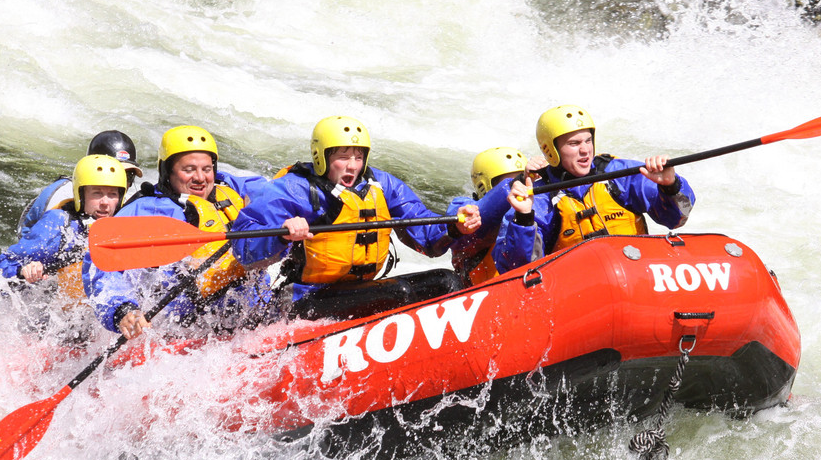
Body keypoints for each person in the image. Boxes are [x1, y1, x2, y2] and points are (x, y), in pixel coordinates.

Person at [230, 116, 481, 307]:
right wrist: (283, 234)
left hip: (361, 290)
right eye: (343, 156)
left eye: (358, 157)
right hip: (305, 298)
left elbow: (426, 234)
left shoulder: (381, 185)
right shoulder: (294, 188)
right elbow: (245, 249)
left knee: (447, 282)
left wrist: (454, 227)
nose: (352, 165)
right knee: (399, 293)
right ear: (322, 157)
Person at [83, 125, 268, 340]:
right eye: (188, 170)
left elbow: (274, 192)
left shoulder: (228, 188)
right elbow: (101, 267)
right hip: (186, 330)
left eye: (206, 169)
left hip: (253, 318)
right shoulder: (146, 210)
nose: (200, 178)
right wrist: (123, 310)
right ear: (167, 171)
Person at [494, 105, 695, 272]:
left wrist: (670, 186)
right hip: (579, 291)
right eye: (574, 143)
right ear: (551, 150)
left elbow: (676, 219)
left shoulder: (620, 174)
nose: (585, 150)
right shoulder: (538, 197)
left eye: (588, 141)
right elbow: (515, 268)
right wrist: (523, 218)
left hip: (638, 274)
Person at [0, 154, 128, 289]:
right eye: (97, 193)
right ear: (81, 195)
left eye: (112, 194)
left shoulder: (124, 227)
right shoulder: (59, 223)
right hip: (51, 303)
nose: (105, 202)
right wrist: (24, 270)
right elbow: (3, 265)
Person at [17, 130, 144, 238]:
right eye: (119, 173)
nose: (123, 181)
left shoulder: (114, 199)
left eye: (129, 176)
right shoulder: (65, 195)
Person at [446, 146, 528, 285]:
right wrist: (515, 183)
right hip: (480, 289)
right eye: (512, 182)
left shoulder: (533, 207)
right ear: (484, 186)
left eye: (524, 181)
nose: (520, 189)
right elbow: (486, 211)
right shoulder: (466, 207)